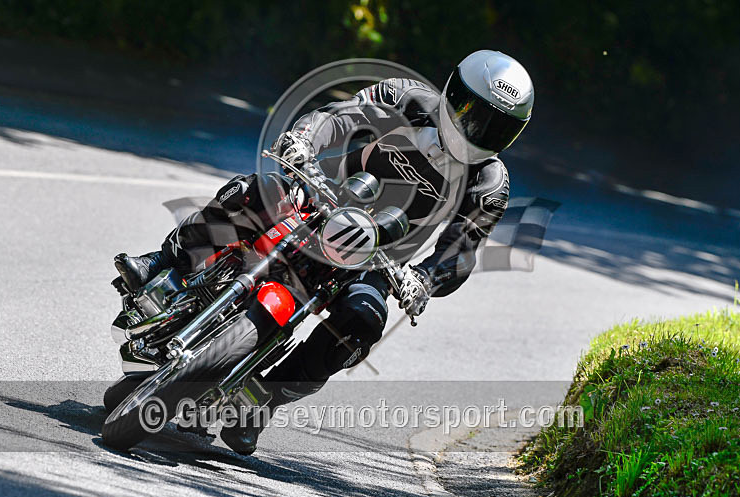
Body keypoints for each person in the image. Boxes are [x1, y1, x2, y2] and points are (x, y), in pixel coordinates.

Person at [114, 50, 533, 454]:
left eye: (494, 128)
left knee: (363, 323)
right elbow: (338, 118)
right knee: (252, 192)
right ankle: (164, 259)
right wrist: (302, 140)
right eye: (472, 115)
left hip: (377, 260)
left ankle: (260, 402)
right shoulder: (406, 97)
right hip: (322, 194)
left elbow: (460, 251)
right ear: (453, 94)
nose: (476, 131)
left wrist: (423, 281)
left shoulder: (490, 184)